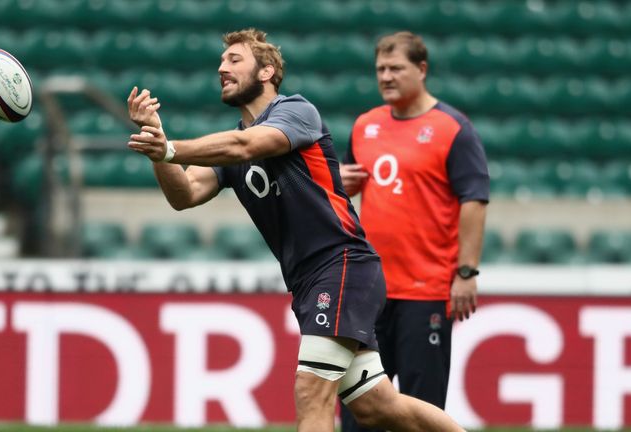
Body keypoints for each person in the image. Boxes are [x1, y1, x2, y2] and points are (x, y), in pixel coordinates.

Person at [125, 28, 465, 432]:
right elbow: (184, 194)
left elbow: (247, 146)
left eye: (235, 60)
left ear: (267, 71)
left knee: (311, 390)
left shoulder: (296, 111)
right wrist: (156, 147)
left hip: (341, 265)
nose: (222, 67)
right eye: (221, 61)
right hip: (310, 279)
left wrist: (170, 148)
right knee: (377, 405)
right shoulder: (229, 147)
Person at [338, 31, 489, 432]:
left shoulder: (452, 128)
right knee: (358, 408)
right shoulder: (365, 126)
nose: (386, 77)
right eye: (380, 69)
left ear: (421, 70)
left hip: (426, 291)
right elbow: (341, 192)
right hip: (370, 292)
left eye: (396, 68)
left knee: (421, 412)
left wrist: (466, 272)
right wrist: (341, 182)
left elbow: (474, 199)